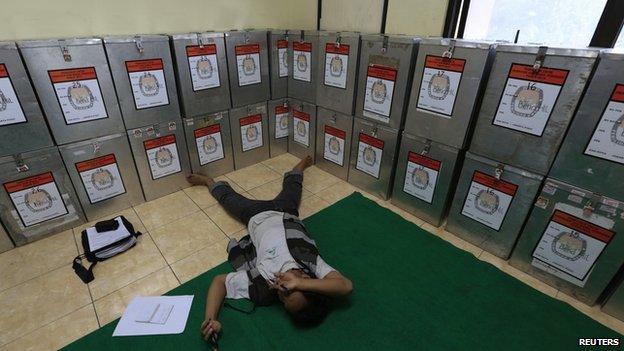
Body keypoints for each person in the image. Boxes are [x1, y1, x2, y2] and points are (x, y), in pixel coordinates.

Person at [186, 156, 353, 342]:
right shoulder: (313, 265)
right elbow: (345, 286)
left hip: (254, 214)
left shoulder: (264, 281)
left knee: (227, 198)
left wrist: (211, 320)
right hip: (286, 211)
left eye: (282, 298)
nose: (281, 289)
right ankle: (301, 164)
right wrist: (299, 284)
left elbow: (219, 282)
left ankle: (208, 181)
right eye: (289, 290)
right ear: (307, 280)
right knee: (293, 185)